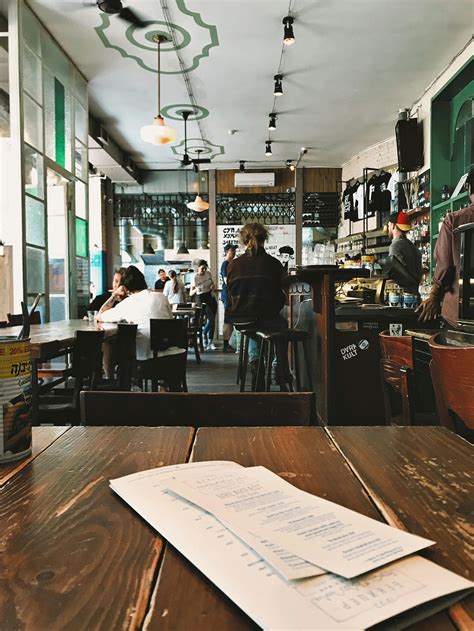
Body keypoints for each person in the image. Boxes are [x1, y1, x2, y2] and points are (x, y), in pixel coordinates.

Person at [227, 223, 288, 389]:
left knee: (253, 328)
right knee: (282, 325)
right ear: (264, 239)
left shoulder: (233, 264)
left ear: (243, 240)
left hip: (241, 320)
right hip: (265, 318)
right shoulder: (274, 263)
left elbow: (231, 292)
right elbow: (281, 296)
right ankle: (279, 370)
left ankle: (256, 363)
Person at [97, 265, 185, 371]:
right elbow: (169, 322)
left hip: (145, 361)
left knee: (116, 348)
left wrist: (114, 295)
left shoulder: (127, 304)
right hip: (174, 356)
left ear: (125, 287)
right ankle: (164, 386)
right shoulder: (161, 297)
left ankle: (116, 383)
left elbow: (100, 316)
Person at [417, 169, 474, 326]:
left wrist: (434, 296)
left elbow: (445, 264)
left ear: (469, 188)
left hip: (460, 311)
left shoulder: (454, 220)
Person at [384, 210, 422, 295]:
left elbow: (397, 275)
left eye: (389, 225)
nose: (388, 228)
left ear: (393, 225)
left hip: (403, 297)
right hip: (415, 295)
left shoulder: (396, 245)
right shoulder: (412, 245)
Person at [190, 260, 217, 351]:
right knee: (211, 320)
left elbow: (212, 283)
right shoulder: (194, 277)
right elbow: (191, 293)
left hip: (210, 296)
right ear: (197, 268)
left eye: (205, 268)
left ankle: (210, 342)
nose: (204, 270)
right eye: (202, 268)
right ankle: (203, 333)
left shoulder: (208, 273)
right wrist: (197, 288)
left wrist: (213, 286)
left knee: (213, 321)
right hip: (201, 298)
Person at [220, 243, 237, 352]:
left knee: (230, 320)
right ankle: (225, 345)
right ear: (227, 252)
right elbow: (227, 281)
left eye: (234, 250)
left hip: (233, 294)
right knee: (227, 320)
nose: (234, 252)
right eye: (232, 250)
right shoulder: (225, 264)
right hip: (228, 294)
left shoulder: (233, 263)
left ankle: (229, 344)